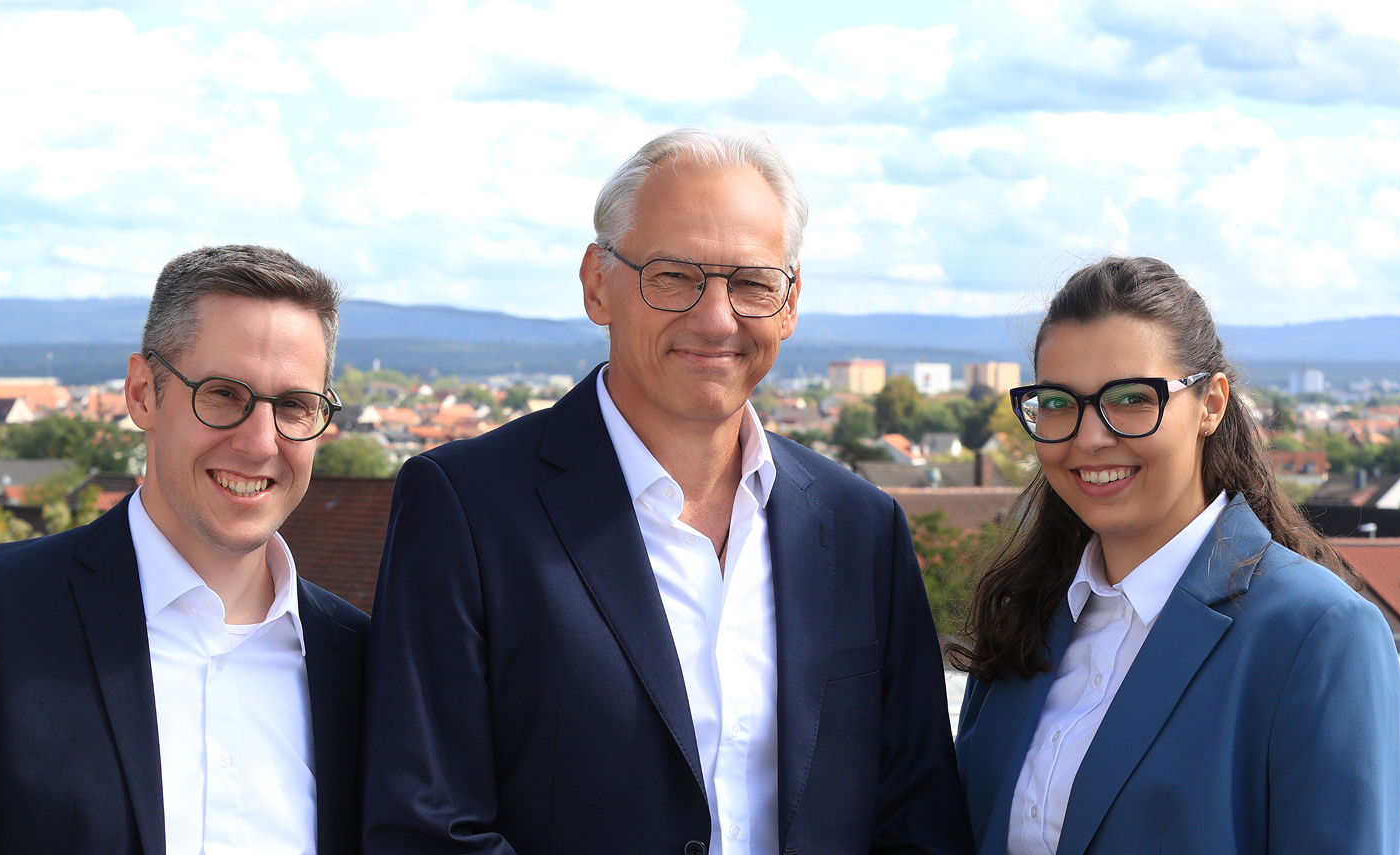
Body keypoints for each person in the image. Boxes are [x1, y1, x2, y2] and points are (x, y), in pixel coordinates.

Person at [362, 128, 973, 855]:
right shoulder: (465, 509)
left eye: (750, 282)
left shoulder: (862, 528)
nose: (716, 318)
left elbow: (919, 819)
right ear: (597, 283)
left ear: (790, 301)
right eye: (675, 274)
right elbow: (427, 829)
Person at [0, 245, 370, 855]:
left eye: (295, 406)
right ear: (142, 393)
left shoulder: (363, 663)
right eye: (222, 394)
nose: (260, 441)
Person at [948, 256, 1400, 855]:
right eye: (1058, 402)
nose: (1090, 437)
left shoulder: (1317, 636)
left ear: (1212, 404)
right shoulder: (1025, 617)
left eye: (1133, 398)